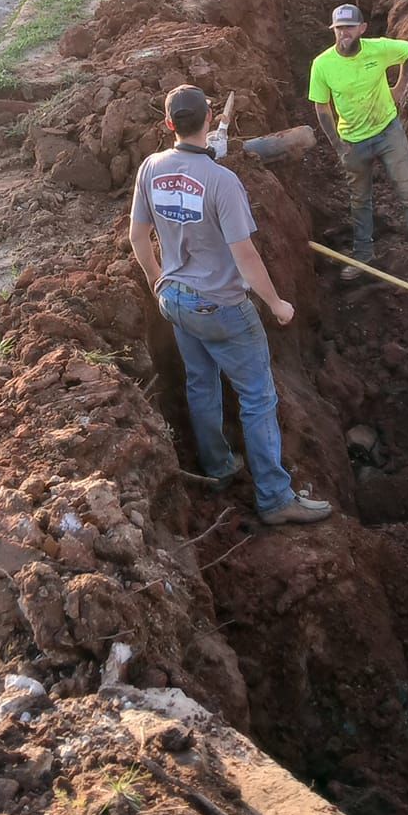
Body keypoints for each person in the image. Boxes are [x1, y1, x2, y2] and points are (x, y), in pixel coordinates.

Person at [130, 85, 331, 528]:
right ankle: (276, 498)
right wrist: (277, 303)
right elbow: (246, 256)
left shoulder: (150, 168)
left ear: (168, 125)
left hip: (175, 300)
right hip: (220, 305)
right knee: (258, 398)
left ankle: (219, 468)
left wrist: (156, 280)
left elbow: (138, 237)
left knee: (201, 384)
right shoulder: (222, 181)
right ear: (208, 121)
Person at [309, 4, 408, 286]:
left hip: (388, 132)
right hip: (352, 141)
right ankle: (363, 254)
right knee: (360, 200)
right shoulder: (323, 64)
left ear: (362, 28)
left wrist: (400, 87)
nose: (344, 33)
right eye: (339, 28)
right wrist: (338, 146)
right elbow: (322, 108)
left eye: (349, 27)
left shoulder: (379, 49)